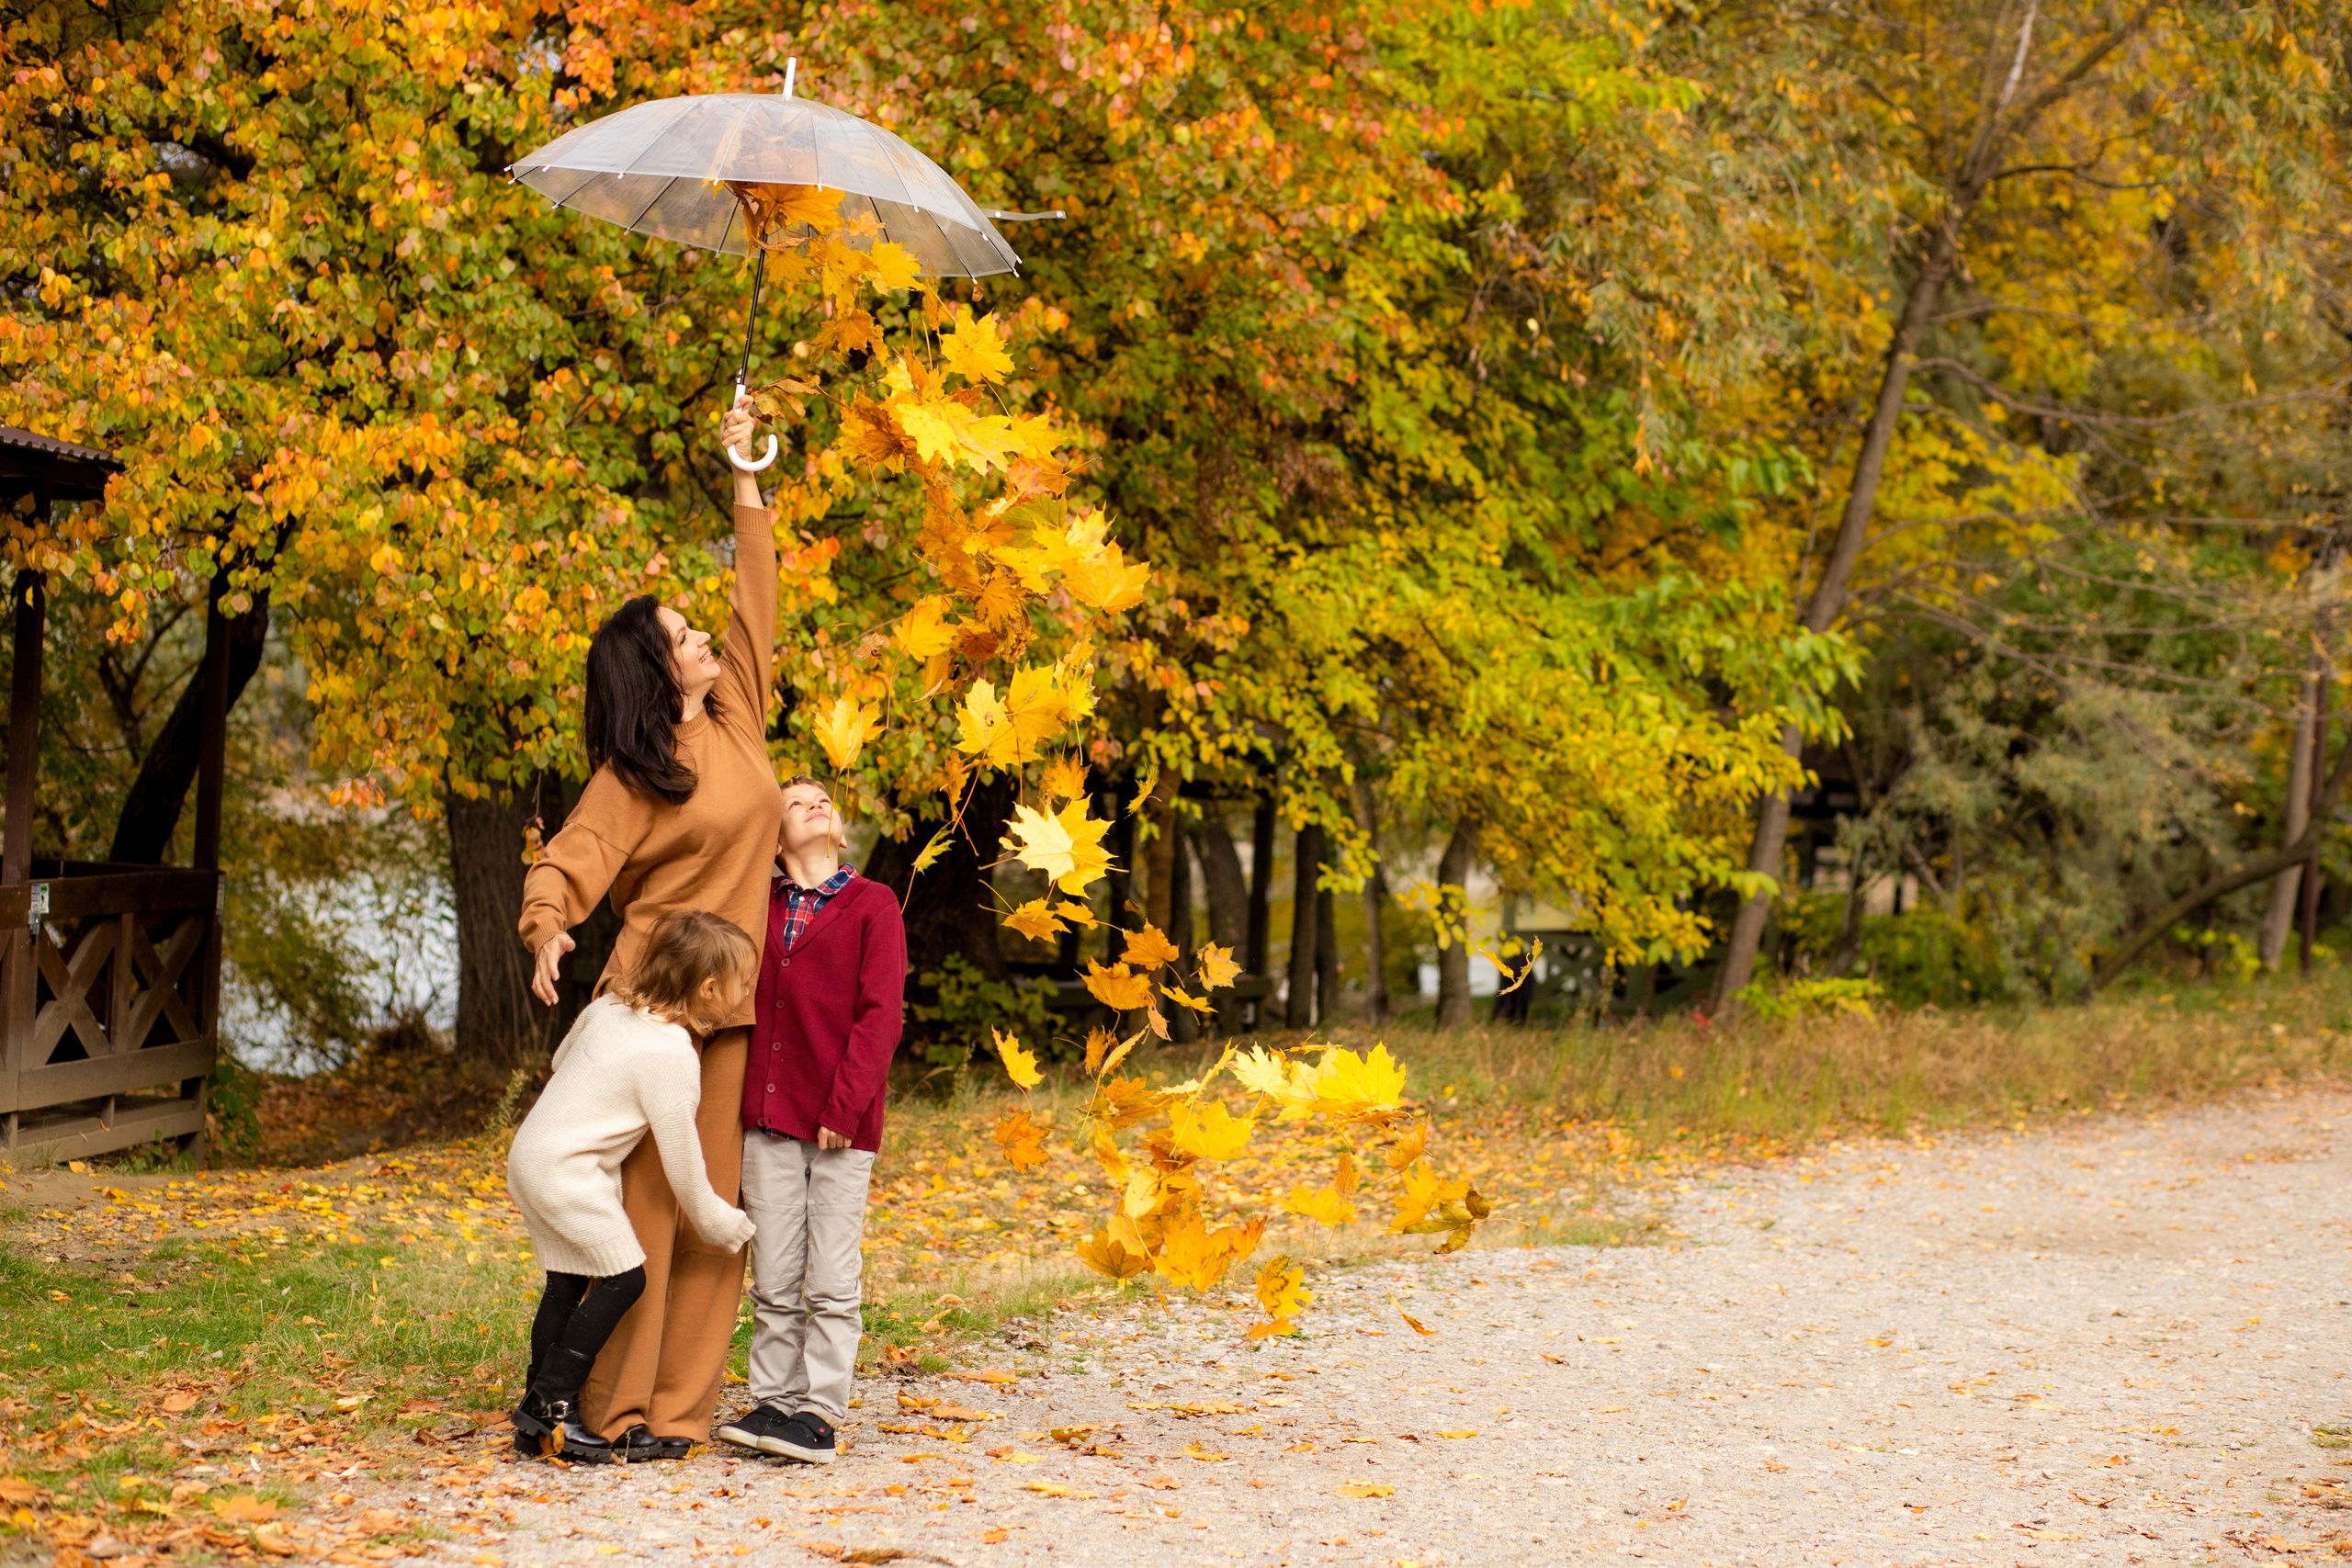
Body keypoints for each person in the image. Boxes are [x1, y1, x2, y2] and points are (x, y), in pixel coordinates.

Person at [515, 392, 783, 1462]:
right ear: (655, 669)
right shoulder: (639, 773)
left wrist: (746, 475)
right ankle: (602, 1410)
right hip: (652, 1010)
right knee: (648, 1216)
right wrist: (545, 929)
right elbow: (572, 856)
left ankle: (675, 1416)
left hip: (734, 1005)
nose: (702, 638)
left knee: (714, 1206)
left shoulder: (739, 717)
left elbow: (756, 604)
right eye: (683, 634)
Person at [507, 909, 761, 1463]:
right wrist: (724, 1224)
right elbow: (685, 1169)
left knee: (568, 1282)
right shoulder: (671, 1054)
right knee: (626, 1279)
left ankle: (536, 1415)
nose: (747, 995)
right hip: (568, 1171)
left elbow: (559, 1060)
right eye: (743, 985)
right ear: (710, 988)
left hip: (532, 1154)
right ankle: (552, 1403)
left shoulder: (609, 1008)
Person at [716, 775, 906, 1465]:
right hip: (768, 1118)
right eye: (796, 803)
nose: (814, 805)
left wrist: (844, 1107)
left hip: (839, 1125)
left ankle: (820, 1412)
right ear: (774, 836)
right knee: (774, 1274)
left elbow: (881, 1016)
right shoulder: (758, 906)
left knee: (828, 1275)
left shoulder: (872, 904)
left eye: (822, 798)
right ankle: (772, 1399)